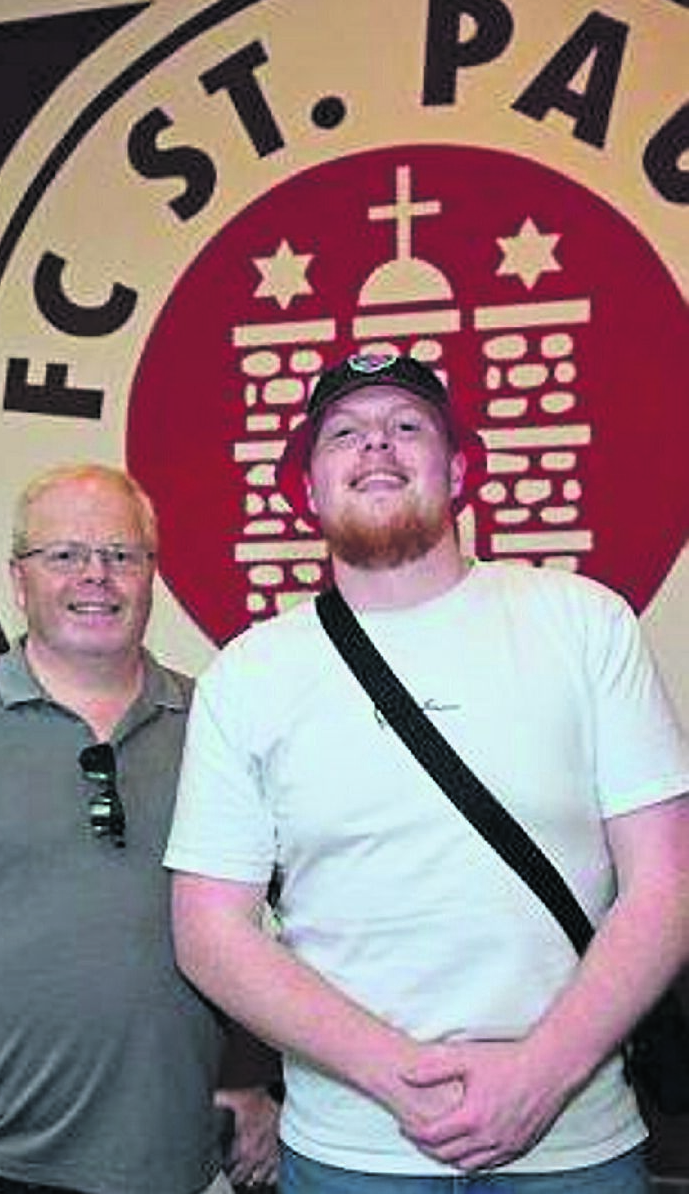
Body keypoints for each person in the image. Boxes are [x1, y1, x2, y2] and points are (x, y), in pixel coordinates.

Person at [165, 352, 689, 1193]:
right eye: (343, 433)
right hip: (348, 1156)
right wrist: (395, 1076)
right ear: (306, 489)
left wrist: (539, 1076)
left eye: (407, 426)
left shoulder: (585, 625)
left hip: (574, 1148)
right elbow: (209, 933)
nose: (376, 444)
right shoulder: (247, 677)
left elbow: (665, 881)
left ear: (459, 471)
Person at [0, 464, 280, 1194]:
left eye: (119, 554)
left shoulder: (217, 728)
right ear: (19, 579)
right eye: (65, 554)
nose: (95, 576)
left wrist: (248, 1073)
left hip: (184, 1169)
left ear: (151, 574)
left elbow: (273, 917)